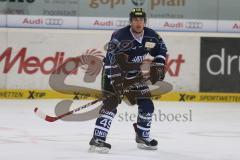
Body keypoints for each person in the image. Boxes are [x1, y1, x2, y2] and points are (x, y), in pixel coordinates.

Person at [89, 8, 167, 153]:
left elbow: (161, 49)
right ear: (131, 22)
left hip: (134, 75)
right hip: (112, 74)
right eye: (135, 20)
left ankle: (142, 136)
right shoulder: (120, 36)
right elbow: (111, 58)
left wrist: (160, 63)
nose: (139, 23)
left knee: (147, 105)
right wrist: (116, 82)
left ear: (144, 21)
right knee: (110, 104)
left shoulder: (151, 35)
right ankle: (98, 139)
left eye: (141, 20)